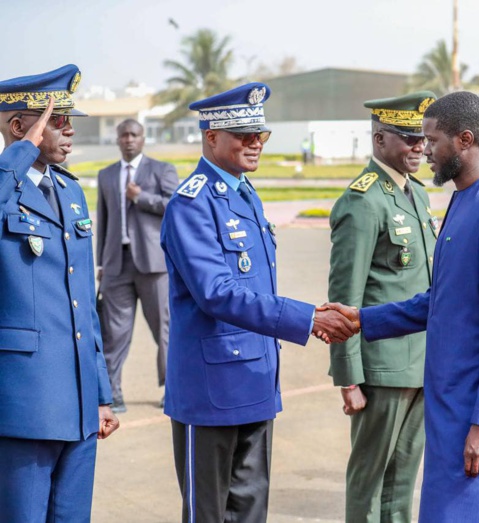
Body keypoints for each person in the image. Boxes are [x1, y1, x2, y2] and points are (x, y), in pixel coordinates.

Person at [329, 91, 479, 522]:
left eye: (432, 140)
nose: (424, 151)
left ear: (464, 140)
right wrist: (361, 320)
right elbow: (440, 301)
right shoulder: (463, 199)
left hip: (473, 412)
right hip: (448, 404)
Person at [160, 82, 358, 523]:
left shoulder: (244, 192)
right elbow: (218, 293)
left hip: (255, 379)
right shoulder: (191, 203)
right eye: (243, 135)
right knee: (209, 514)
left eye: (261, 135)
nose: (255, 144)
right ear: (211, 137)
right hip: (211, 390)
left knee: (251, 512)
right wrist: (307, 318)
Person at [0, 64, 119, 521]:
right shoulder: (6, 185)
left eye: (71, 121)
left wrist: (102, 394)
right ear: (19, 127)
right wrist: (20, 153)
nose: (69, 131)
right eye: (58, 120)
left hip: (78, 404)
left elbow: (83, 305)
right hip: (25, 406)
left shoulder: (70, 191)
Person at [328, 91, 438, 523]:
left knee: (403, 479)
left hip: (421, 361)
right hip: (382, 367)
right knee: (369, 480)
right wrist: (348, 377)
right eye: (408, 139)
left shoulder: (419, 196)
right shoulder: (362, 201)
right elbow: (343, 300)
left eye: (422, 140)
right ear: (379, 141)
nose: (419, 148)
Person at [96, 119, 178, 413]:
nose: (129, 140)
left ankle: (174, 389)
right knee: (113, 333)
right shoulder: (106, 175)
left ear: (143, 139)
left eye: (134, 135)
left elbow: (176, 206)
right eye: (124, 135)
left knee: (165, 331)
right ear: (117, 140)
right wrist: (100, 264)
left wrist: (140, 198)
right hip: (117, 264)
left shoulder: (162, 170)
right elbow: (102, 221)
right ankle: (111, 393)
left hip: (155, 265)